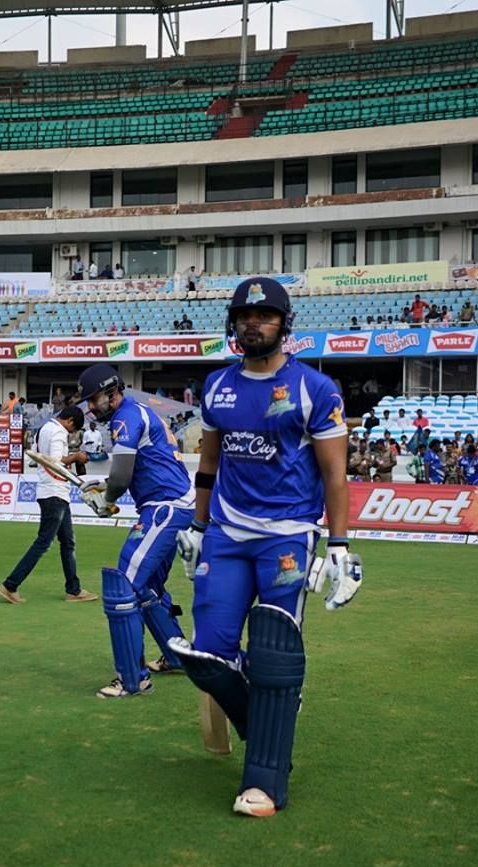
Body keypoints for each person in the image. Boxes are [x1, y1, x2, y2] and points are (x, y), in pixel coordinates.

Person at [166, 276, 362, 818]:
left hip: (288, 538)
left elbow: (335, 474)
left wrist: (340, 545)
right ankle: (269, 717)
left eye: (266, 315)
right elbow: (208, 465)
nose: (254, 323)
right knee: (208, 653)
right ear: (235, 324)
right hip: (226, 535)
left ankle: (265, 783)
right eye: (246, 316)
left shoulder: (315, 390)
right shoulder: (217, 386)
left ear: (283, 323)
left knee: (274, 649)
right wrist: (198, 527)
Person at [76, 362, 195, 698]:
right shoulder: (138, 412)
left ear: (111, 392)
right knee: (147, 588)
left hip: (164, 509)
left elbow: (123, 476)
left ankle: (132, 679)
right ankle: (177, 656)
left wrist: (106, 499)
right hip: (174, 506)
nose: (89, 406)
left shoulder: (125, 418)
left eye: (93, 398)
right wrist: (107, 487)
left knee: (124, 585)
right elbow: (130, 472)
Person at [0, 406, 97, 604]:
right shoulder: (59, 432)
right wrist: (77, 456)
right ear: (69, 421)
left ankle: (74, 589)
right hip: (55, 492)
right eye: (72, 429)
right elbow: (57, 462)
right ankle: (10, 585)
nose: (71, 432)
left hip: (49, 490)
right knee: (44, 542)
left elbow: (41, 458)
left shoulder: (43, 430)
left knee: (67, 542)